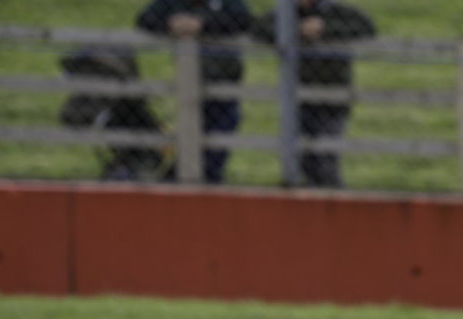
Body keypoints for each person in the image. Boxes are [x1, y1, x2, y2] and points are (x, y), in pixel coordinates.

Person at [251, 0, 377, 187]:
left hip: (332, 96)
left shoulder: (335, 11)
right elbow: (259, 29)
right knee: (301, 157)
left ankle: (331, 199)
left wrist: (325, 28)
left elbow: (366, 27)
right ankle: (309, 195)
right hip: (296, 97)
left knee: (325, 156)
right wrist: (296, 29)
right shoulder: (286, 13)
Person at [136, 0, 252, 184]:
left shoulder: (228, 4)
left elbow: (243, 19)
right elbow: (145, 19)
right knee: (191, 132)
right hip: (189, 83)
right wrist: (171, 22)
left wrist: (202, 24)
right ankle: (180, 180)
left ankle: (205, 180)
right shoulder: (174, 4)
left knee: (220, 131)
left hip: (223, 80)